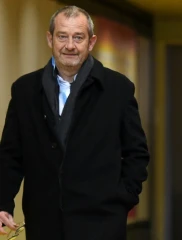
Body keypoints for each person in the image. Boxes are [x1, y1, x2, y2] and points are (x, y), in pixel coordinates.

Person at [0, 5, 150, 240]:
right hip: (44, 223)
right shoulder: (25, 90)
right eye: (62, 36)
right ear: (50, 39)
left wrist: (122, 199)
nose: (70, 45)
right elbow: (10, 155)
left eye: (78, 37)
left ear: (91, 43)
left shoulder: (117, 89)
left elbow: (137, 153)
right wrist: (3, 202)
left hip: (102, 223)